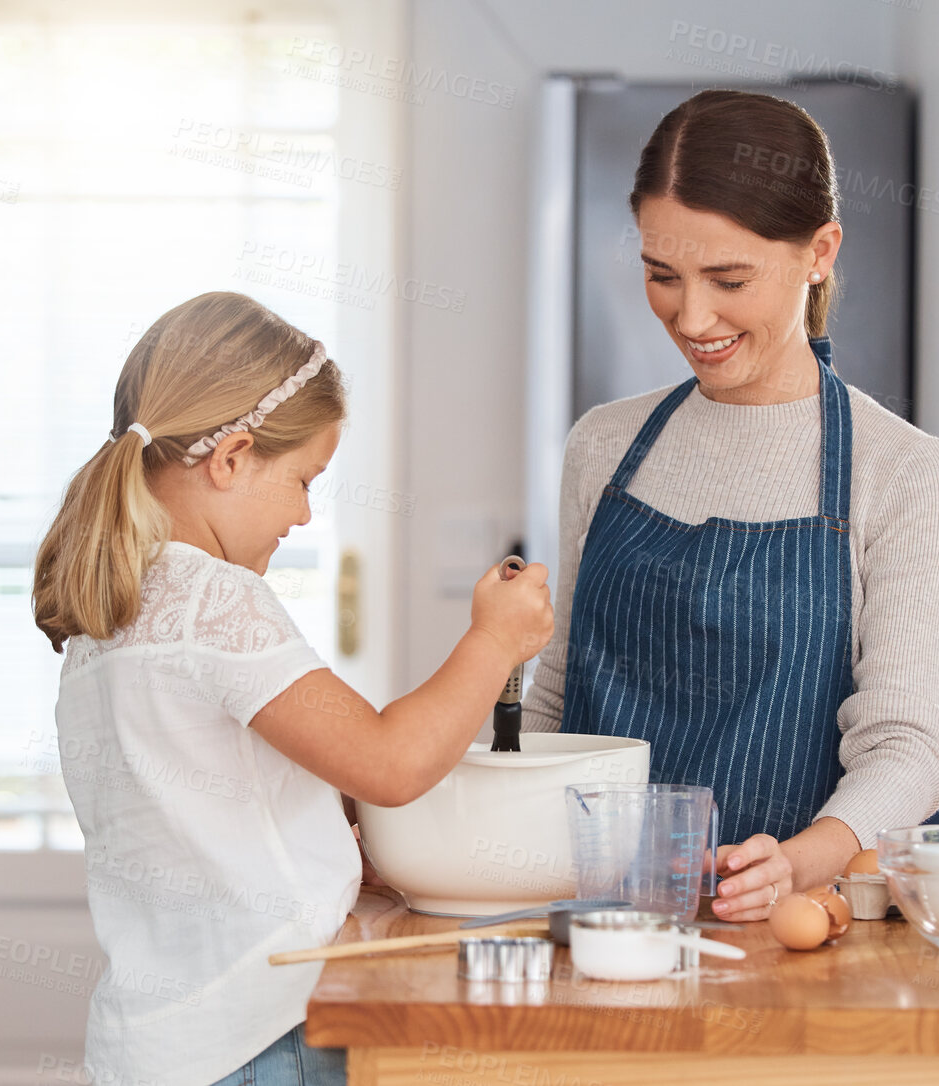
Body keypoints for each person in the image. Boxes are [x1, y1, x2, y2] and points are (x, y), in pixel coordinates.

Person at [32, 292, 557, 1086]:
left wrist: (327, 829)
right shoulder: (212, 598)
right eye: (305, 479)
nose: (305, 514)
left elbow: (217, 801)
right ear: (232, 457)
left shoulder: (112, 615)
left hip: (155, 1044)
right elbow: (388, 762)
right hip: (260, 1035)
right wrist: (492, 642)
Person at [521, 90, 939, 921]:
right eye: (662, 276)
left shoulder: (901, 471)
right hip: (581, 916)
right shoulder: (605, 443)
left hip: (773, 926)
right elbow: (558, 687)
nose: (691, 318)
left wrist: (800, 864)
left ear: (819, 252)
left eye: (729, 279)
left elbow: (903, 745)